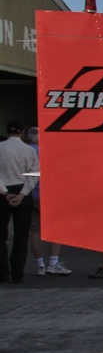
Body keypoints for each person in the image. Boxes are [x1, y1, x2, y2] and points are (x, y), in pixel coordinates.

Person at [24, 127, 71, 276]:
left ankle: (40, 265)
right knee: (55, 228)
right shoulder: (45, 152)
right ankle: (53, 262)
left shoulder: (26, 151)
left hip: (29, 194)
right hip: (47, 194)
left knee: (35, 230)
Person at [0, 121, 39, 283]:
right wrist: (22, 194)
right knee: (21, 236)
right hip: (23, 192)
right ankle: (18, 273)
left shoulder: (1, 148)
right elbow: (34, 174)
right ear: (23, 132)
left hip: (3, 193)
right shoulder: (29, 150)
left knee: (1, 236)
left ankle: (2, 273)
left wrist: (6, 193)